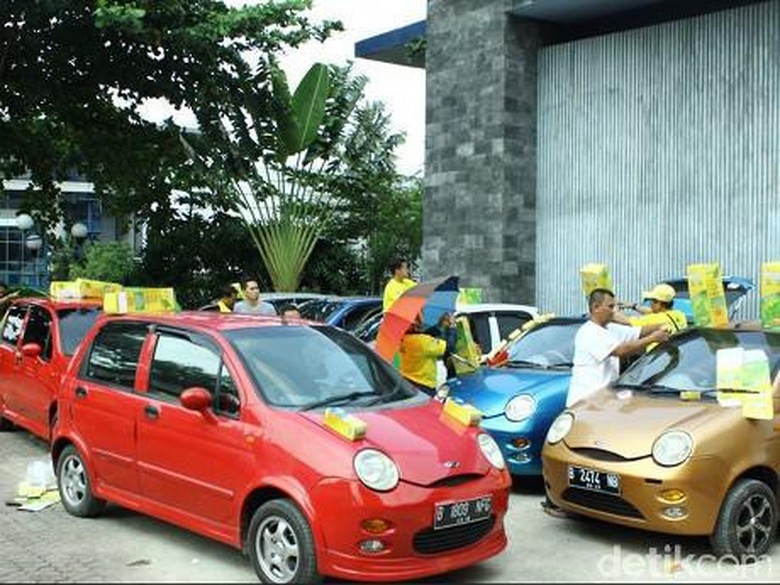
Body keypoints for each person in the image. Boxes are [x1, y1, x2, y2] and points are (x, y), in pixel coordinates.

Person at [541, 288, 670, 519]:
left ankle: (592, 501)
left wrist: (660, 326)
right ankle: (555, 500)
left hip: (603, 405)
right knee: (574, 453)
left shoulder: (609, 329)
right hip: (584, 405)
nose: (614, 310)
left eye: (614, 306)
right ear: (596, 308)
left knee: (598, 457)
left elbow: (637, 330)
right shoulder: (590, 333)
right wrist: (653, 339)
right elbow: (620, 351)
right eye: (610, 306)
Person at [399, 312, 457, 396]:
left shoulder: (404, 338)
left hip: (407, 381)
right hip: (424, 385)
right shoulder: (422, 342)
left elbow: (424, 335)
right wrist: (452, 327)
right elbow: (449, 346)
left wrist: (439, 325)